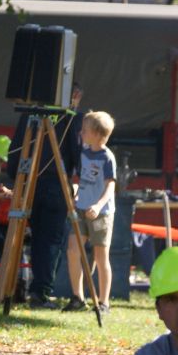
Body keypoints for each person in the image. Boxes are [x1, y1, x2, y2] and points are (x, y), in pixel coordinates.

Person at [7, 82, 82, 308]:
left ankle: (16, 289)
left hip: (29, 181)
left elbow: (16, 148)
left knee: (31, 237)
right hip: (55, 183)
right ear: (74, 95)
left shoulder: (32, 114)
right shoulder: (70, 118)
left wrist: (15, 177)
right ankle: (40, 291)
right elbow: (77, 152)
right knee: (49, 241)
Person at [64, 110, 117, 313]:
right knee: (72, 250)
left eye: (85, 130)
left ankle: (104, 302)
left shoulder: (107, 158)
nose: (81, 133)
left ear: (96, 133)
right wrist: (77, 194)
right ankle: (78, 297)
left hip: (101, 213)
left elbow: (110, 186)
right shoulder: (84, 153)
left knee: (100, 255)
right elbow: (84, 180)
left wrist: (97, 205)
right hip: (81, 208)